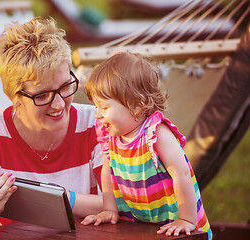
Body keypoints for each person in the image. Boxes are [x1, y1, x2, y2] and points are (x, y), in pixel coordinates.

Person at [0, 17, 104, 235]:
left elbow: (127, 205)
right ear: (14, 97)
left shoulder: (97, 123)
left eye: (65, 86)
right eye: (42, 95)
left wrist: (60, 198)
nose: (59, 104)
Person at [81, 52, 212, 239]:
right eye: (96, 107)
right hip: (141, 224)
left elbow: (181, 174)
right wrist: (110, 209)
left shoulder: (157, 133)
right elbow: (108, 173)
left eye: (105, 107)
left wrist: (187, 220)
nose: (98, 115)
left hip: (176, 223)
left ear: (137, 105)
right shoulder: (112, 136)